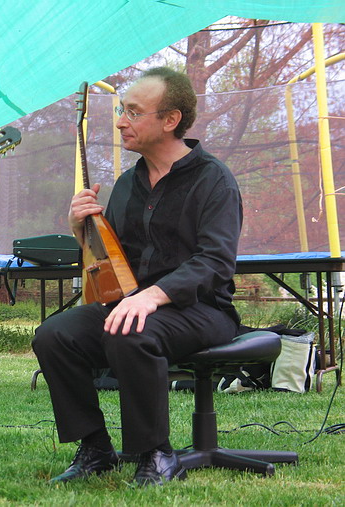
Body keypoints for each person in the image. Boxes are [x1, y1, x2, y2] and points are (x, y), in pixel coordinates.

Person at [32, 67, 242, 486]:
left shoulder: (214, 180)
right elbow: (114, 263)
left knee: (130, 331)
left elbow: (216, 261)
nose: (120, 121)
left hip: (202, 310)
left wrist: (153, 296)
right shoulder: (128, 184)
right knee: (54, 335)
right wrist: (81, 231)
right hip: (135, 305)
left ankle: (156, 454)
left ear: (170, 120)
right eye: (121, 111)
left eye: (133, 112)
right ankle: (95, 447)